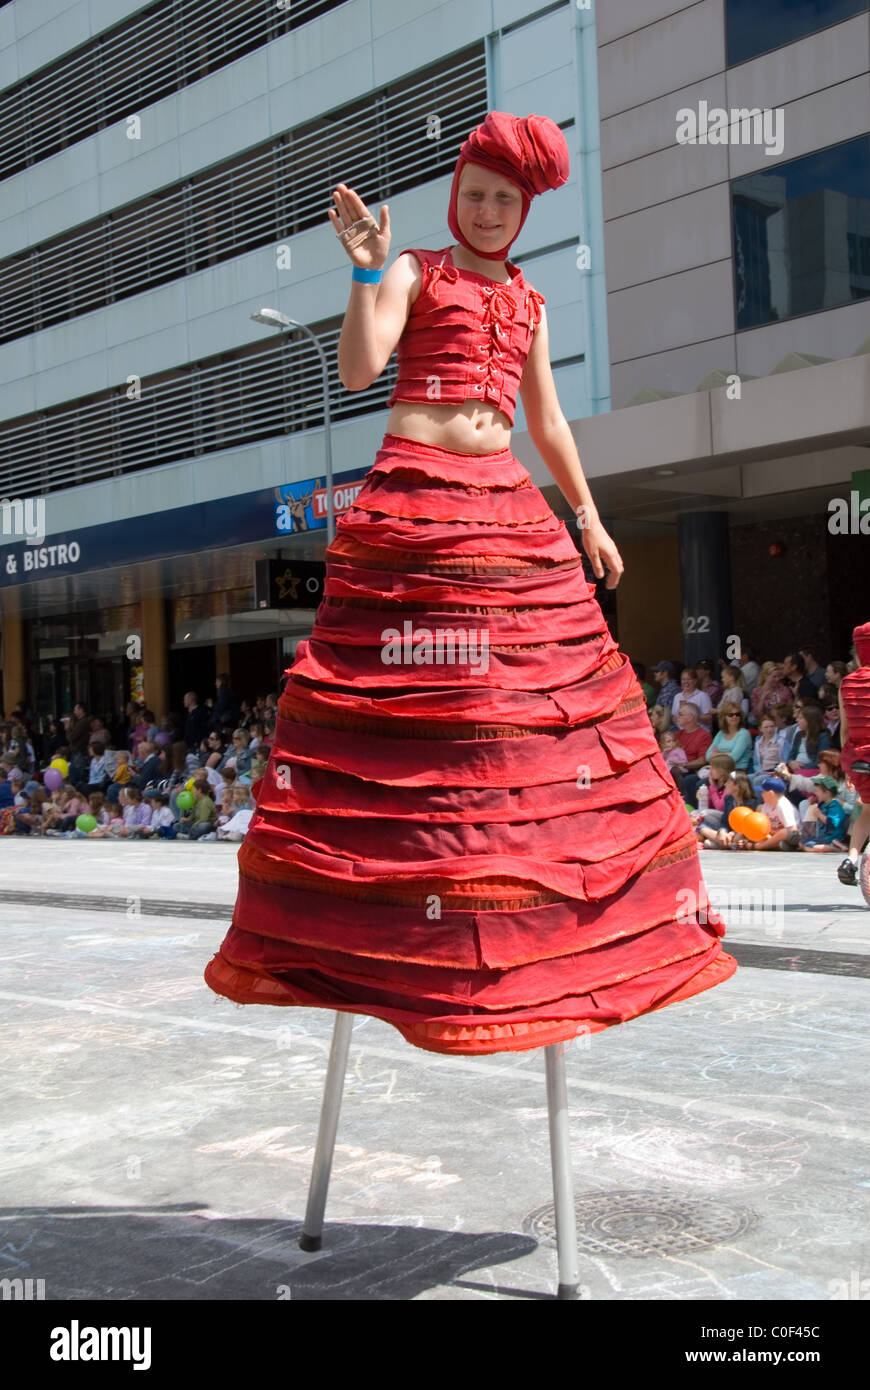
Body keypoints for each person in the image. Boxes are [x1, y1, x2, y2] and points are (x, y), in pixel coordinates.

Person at [203, 110, 737, 1053]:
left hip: (504, 508)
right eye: (477, 193)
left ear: (525, 210)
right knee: (401, 726)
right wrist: (369, 269)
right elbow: (363, 365)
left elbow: (549, 422)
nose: (488, 211)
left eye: (506, 200)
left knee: (524, 730)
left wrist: (589, 514)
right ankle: (389, 932)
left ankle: (526, 937)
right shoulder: (418, 270)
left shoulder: (530, 302)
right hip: (415, 506)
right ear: (457, 190)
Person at [836, 621, 870, 886]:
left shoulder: (847, 683)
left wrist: (848, 766)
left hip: (858, 758)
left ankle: (852, 858)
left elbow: (845, 730)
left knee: (867, 809)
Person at [736, 776, 800, 851]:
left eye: (763, 792)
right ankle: (772, 845)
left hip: (790, 837)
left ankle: (760, 846)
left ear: (771, 793)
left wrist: (771, 835)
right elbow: (763, 826)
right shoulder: (767, 805)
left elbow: (792, 830)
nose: (761, 794)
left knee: (784, 833)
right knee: (757, 832)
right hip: (773, 835)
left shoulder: (783, 806)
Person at [673, 701, 712, 803]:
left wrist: (683, 765)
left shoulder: (704, 735)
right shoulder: (677, 735)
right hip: (674, 768)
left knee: (684, 777)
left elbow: (702, 760)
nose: (677, 716)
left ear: (690, 718)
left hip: (691, 771)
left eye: (680, 714)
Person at [799, 775, 850, 852]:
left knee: (810, 847)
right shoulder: (823, 804)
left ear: (827, 792)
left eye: (817, 791)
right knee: (802, 843)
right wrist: (812, 804)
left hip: (831, 837)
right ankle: (832, 846)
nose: (815, 793)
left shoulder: (835, 806)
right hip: (822, 837)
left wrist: (820, 815)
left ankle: (836, 847)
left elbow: (832, 823)